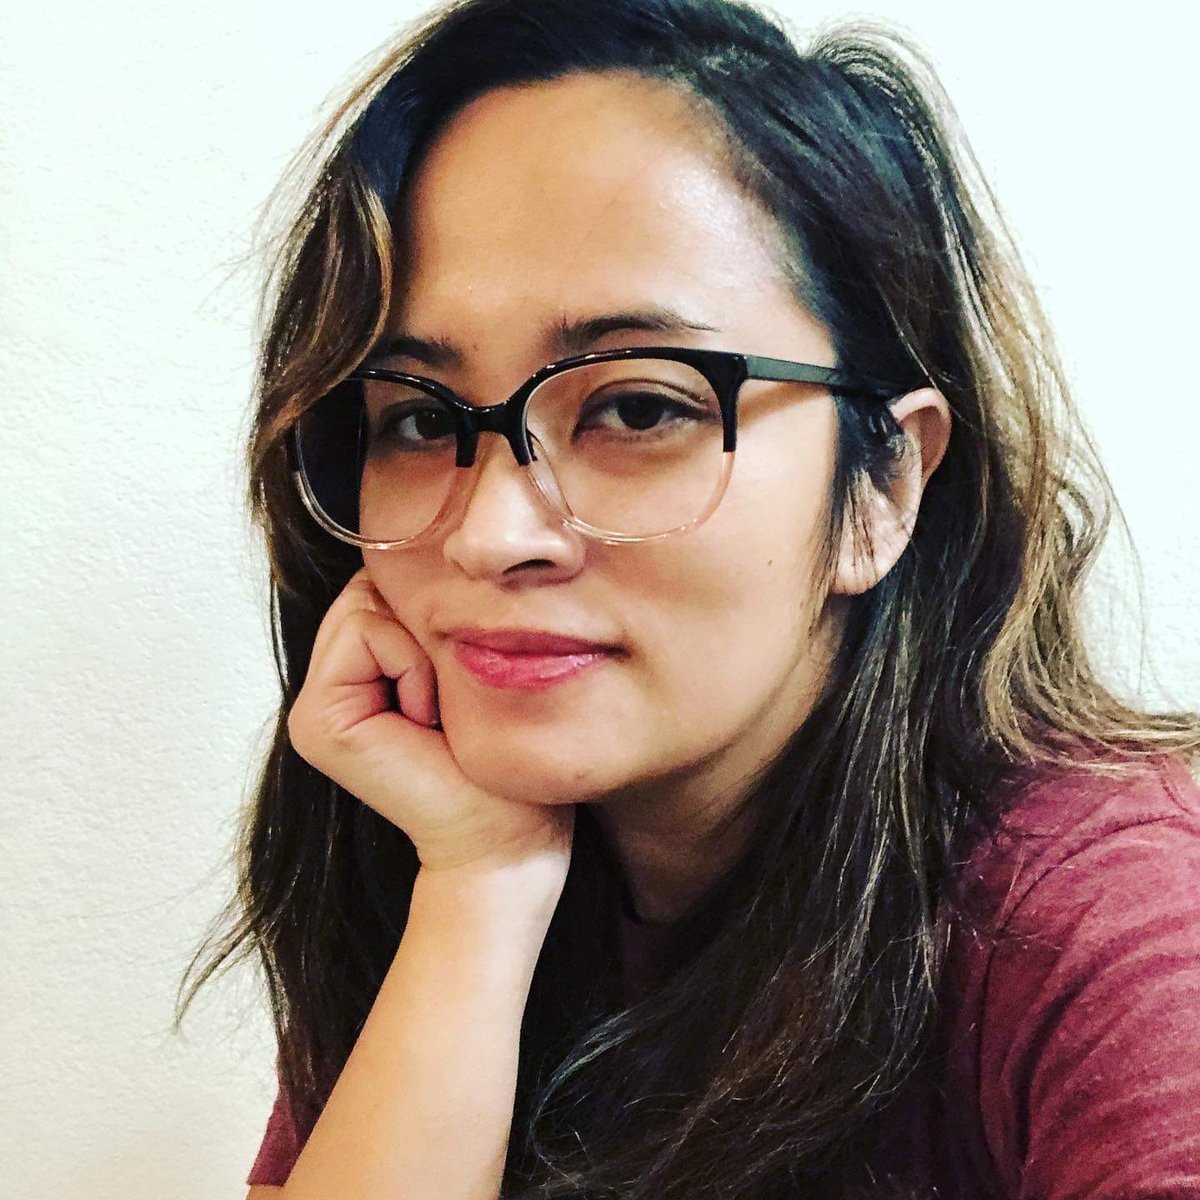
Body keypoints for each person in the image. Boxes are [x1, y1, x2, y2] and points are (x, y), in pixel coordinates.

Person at [175, 1, 1200, 1196]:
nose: (492, 534)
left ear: (882, 488)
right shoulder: (430, 856)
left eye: (638, 408)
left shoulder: (1108, 919)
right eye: (414, 418)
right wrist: (479, 889)